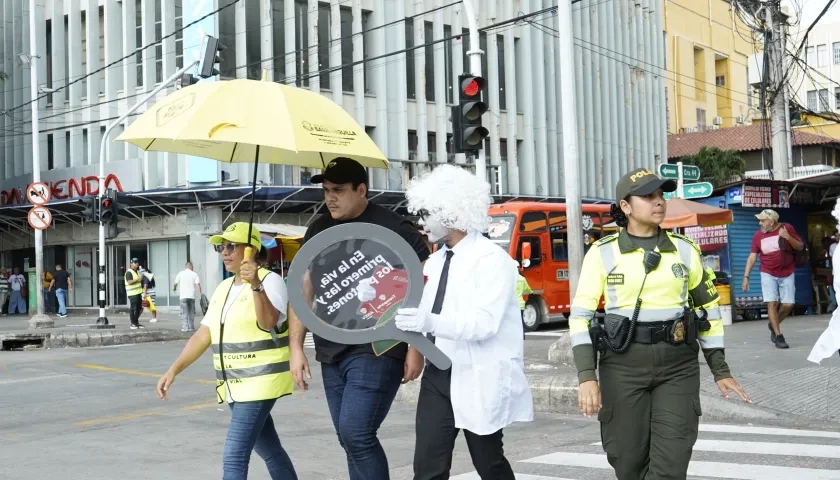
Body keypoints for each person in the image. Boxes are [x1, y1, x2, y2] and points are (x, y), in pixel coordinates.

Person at [570, 168, 751, 480]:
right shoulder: (602, 253)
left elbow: (708, 310)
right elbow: (581, 318)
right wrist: (587, 376)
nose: (659, 202)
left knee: (671, 464)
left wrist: (719, 368)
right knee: (627, 463)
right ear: (625, 206)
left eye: (662, 195)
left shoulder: (685, 250)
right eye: (648, 196)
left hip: (677, 368)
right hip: (622, 367)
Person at [287, 157, 429, 480]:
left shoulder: (393, 227)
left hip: (378, 346)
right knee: (349, 439)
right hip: (330, 349)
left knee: (356, 433)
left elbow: (423, 285)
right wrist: (295, 346)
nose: (329, 198)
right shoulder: (318, 228)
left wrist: (415, 346)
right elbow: (302, 286)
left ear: (361, 189)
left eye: (338, 190)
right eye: (325, 190)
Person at [393, 164, 533, 480]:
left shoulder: (492, 260)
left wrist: (428, 319)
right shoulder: (438, 260)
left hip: (478, 373)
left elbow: (484, 324)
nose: (422, 222)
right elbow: (420, 313)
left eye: (428, 213)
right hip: (439, 374)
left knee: (489, 463)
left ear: (450, 212)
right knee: (427, 467)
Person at [156, 222, 297, 480]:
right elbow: (204, 334)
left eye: (232, 246)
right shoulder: (224, 288)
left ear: (251, 251)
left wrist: (255, 283)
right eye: (222, 247)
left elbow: (268, 322)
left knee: (234, 456)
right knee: (271, 451)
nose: (225, 252)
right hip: (234, 386)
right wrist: (173, 370)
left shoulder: (270, 281)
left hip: (259, 383)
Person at [741, 209, 804, 349]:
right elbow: (752, 257)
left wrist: (788, 237)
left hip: (787, 271)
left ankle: (772, 323)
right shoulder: (757, 236)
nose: (760, 223)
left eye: (763, 220)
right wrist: (746, 277)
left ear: (772, 221)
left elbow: (800, 247)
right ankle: (778, 335)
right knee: (772, 303)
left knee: (788, 305)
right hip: (767, 272)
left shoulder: (786, 228)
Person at [173, 261, 202, 332]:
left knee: (184, 312)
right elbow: (198, 285)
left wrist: (174, 288)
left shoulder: (180, 273)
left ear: (186, 266)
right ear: (191, 266)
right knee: (191, 312)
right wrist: (201, 294)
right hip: (191, 296)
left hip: (183, 297)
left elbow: (175, 283)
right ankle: (191, 327)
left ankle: (185, 327)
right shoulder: (194, 274)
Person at [125, 258, 145, 329]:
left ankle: (136, 322)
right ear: (131, 264)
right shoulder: (129, 272)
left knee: (139, 308)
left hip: (138, 293)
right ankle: (133, 323)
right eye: (135, 262)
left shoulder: (138, 271)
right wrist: (138, 279)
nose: (137, 263)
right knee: (133, 308)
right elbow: (129, 282)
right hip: (132, 293)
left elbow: (139, 281)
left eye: (137, 262)